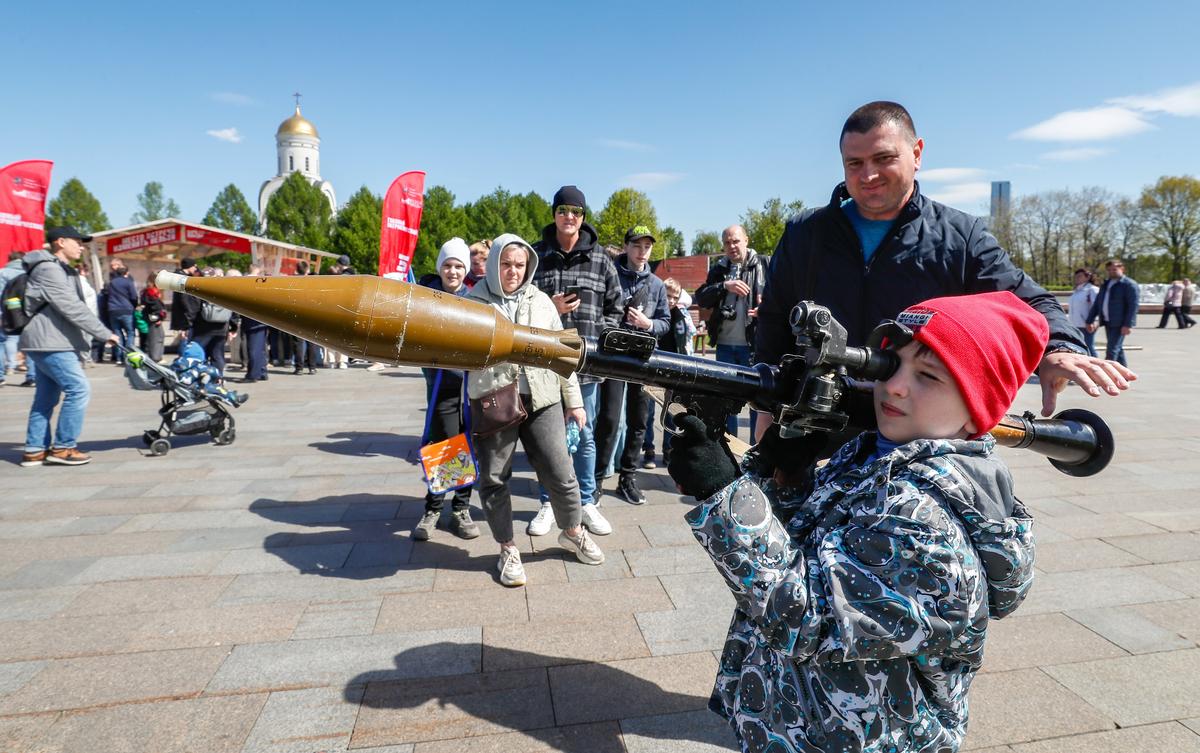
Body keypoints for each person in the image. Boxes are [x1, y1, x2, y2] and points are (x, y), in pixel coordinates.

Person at [668, 291, 1046, 753]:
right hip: (804, 722)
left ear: (979, 406)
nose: (896, 386)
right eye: (890, 365)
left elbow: (808, 618)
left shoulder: (923, 520)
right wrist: (785, 475)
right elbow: (812, 549)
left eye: (927, 375)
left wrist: (723, 497)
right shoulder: (877, 453)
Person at [757, 101, 1133, 450]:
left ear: (917, 153)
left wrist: (1057, 349)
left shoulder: (961, 235)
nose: (868, 175)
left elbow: (1028, 302)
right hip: (813, 423)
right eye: (854, 163)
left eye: (883, 158)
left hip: (918, 434)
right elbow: (774, 322)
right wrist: (764, 409)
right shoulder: (806, 232)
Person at [467, 235, 605, 586]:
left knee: (561, 471)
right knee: (495, 477)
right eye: (505, 264)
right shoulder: (472, 302)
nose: (512, 271)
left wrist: (573, 401)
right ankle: (507, 548)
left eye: (519, 264)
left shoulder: (541, 301)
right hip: (495, 399)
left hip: (543, 398)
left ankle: (572, 530)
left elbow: (563, 354)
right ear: (494, 263)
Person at [531, 185, 623, 532]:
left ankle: (586, 501)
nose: (569, 217)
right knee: (546, 438)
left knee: (584, 437)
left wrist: (600, 332)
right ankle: (547, 502)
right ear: (554, 214)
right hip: (544, 363)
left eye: (576, 211)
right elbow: (522, 304)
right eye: (563, 210)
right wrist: (549, 308)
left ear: (583, 218)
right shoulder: (537, 255)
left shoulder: (601, 259)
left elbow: (616, 306)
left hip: (585, 364)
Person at [18, 227, 120, 467]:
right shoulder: (49, 269)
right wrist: (104, 333)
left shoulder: (57, 268)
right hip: (51, 341)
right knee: (78, 389)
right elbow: (71, 306)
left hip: (48, 340)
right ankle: (63, 448)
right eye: (77, 242)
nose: (81, 247)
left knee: (45, 397)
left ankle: (35, 449)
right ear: (60, 242)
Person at [592, 226, 671, 508]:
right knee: (610, 420)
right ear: (626, 247)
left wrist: (648, 324)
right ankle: (597, 480)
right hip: (613, 358)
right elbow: (599, 311)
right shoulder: (610, 274)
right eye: (637, 246)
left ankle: (628, 477)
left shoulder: (657, 284)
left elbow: (665, 322)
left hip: (643, 359)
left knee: (639, 420)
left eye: (647, 247)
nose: (642, 252)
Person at [412, 238, 480, 541]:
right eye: (448, 266)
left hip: (470, 387)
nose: (452, 272)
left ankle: (461, 508)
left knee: (467, 446)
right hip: (443, 384)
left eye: (458, 266)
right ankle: (433, 508)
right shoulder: (428, 297)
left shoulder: (474, 298)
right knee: (444, 447)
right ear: (440, 268)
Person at [694, 225, 767, 438]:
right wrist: (725, 286)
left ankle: (755, 453)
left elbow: (783, 296)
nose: (731, 246)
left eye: (735, 241)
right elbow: (701, 297)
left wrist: (766, 308)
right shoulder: (719, 269)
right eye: (727, 242)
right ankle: (729, 452)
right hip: (725, 346)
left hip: (754, 346)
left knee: (757, 402)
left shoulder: (765, 264)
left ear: (746, 240)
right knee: (726, 402)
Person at [642, 277, 697, 468]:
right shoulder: (655, 313)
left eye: (675, 297)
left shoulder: (680, 315)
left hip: (673, 368)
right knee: (647, 413)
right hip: (654, 367)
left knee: (671, 412)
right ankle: (648, 449)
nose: (671, 301)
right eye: (667, 296)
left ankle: (668, 450)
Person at [1085, 258, 1139, 366]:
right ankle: (1124, 375)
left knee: (1111, 351)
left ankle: (1107, 378)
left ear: (1122, 269)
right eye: (1109, 270)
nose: (1111, 272)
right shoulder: (1106, 284)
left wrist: (1128, 324)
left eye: (1114, 269)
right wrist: (1089, 320)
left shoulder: (1129, 284)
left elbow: (1133, 306)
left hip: (1120, 323)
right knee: (1117, 349)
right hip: (1108, 321)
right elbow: (1098, 303)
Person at [105, 262, 139, 364]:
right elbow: (134, 296)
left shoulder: (112, 282)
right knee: (130, 333)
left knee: (117, 333)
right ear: (127, 273)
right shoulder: (128, 282)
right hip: (126, 309)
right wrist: (134, 305)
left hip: (113, 310)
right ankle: (128, 356)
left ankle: (119, 358)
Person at [169, 257, 202, 353]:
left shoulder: (178, 276)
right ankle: (184, 361)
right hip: (186, 316)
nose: (196, 269)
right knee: (186, 339)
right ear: (190, 266)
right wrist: (191, 314)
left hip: (183, 315)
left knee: (185, 339)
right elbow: (185, 299)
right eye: (194, 267)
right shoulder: (183, 279)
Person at [1068, 268, 1100, 356]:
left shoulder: (1092, 290)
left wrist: (1094, 321)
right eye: (1076, 276)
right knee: (1080, 347)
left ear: (1087, 277)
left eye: (1080, 276)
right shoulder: (1077, 290)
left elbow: (1096, 307)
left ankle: (1097, 365)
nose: (1077, 278)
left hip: (1087, 324)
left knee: (1089, 347)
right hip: (1075, 324)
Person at [138, 272, 167, 363]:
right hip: (153, 317)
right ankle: (156, 357)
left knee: (158, 336)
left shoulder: (147, 291)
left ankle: (156, 356)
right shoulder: (152, 291)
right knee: (156, 337)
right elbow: (154, 305)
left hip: (150, 317)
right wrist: (159, 317)